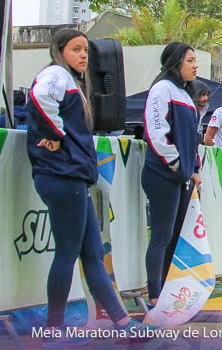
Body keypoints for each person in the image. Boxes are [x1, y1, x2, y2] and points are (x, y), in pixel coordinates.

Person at [27, 28, 151, 341]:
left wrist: (58, 135)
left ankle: (121, 322)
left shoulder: (69, 81)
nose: (83, 55)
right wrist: (55, 135)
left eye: (86, 50)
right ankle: (54, 328)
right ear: (59, 51)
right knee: (69, 253)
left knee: (92, 253)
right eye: (76, 49)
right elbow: (40, 96)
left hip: (70, 177)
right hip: (61, 176)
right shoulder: (56, 74)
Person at [141, 42, 201, 307]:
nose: (195, 65)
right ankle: (154, 293)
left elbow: (191, 139)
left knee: (175, 237)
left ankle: (166, 290)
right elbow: (157, 131)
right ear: (176, 63)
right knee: (161, 237)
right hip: (162, 174)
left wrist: (194, 168)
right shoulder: (161, 89)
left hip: (181, 176)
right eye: (190, 60)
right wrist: (176, 163)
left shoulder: (187, 95)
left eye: (195, 60)